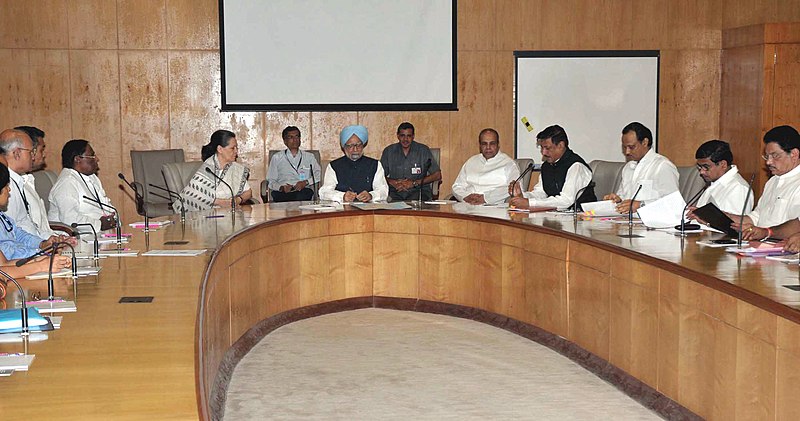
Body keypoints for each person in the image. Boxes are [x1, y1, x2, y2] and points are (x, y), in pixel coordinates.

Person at [733, 126, 800, 241]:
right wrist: (721, 217)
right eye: (767, 156)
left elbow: (797, 224)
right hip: (762, 246)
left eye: (775, 156)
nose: (768, 162)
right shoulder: (772, 181)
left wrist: (767, 232)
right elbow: (756, 217)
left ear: (794, 154)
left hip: (785, 249)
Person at [508, 125, 595, 210]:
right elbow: (541, 193)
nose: (543, 152)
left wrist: (530, 203)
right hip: (557, 218)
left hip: (582, 218)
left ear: (560, 145)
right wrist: (522, 196)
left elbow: (566, 200)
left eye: (547, 148)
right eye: (541, 148)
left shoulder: (576, 166)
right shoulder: (547, 166)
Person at [0, 162, 72, 261]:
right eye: (6, 186)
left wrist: (42, 244)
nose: (9, 189)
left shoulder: (2, 216)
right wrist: (40, 253)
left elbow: (19, 235)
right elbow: (8, 253)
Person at [604, 122, 679, 213]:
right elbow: (625, 197)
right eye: (625, 147)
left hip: (652, 224)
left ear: (644, 142)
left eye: (631, 147)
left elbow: (673, 203)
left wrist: (641, 205)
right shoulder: (628, 167)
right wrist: (618, 200)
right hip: (627, 221)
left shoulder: (662, 166)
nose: (627, 152)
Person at [175, 130, 253, 212]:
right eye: (232, 148)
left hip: (232, 213)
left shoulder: (236, 168)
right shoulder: (208, 168)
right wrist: (219, 202)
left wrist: (239, 199)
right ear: (220, 149)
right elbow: (191, 196)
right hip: (209, 214)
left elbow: (248, 192)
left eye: (237, 148)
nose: (236, 151)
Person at [48, 139, 116, 232]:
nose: (97, 159)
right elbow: (69, 218)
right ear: (77, 159)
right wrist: (99, 224)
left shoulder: (92, 177)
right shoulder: (67, 183)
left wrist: (114, 219)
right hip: (77, 238)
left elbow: (107, 205)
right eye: (92, 155)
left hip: (100, 234)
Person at [0, 128, 55, 239]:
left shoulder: (19, 180)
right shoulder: (5, 185)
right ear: (16, 153)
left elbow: (29, 226)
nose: (33, 157)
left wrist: (50, 241)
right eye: (31, 152)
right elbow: (11, 237)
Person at [686, 140, 752, 222]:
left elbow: (732, 229)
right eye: (699, 167)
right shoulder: (713, 182)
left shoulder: (738, 188)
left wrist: (704, 218)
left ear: (723, 165)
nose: (701, 172)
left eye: (706, 167)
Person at [319, 125, 388, 203]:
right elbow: (324, 192)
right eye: (350, 146)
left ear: (363, 145)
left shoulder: (375, 165)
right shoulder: (333, 166)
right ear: (344, 147)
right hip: (342, 210)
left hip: (369, 210)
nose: (355, 149)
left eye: (358, 145)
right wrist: (342, 196)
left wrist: (371, 195)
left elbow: (383, 190)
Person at [452, 128, 520, 205]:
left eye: (492, 143)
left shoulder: (508, 163)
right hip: (467, 206)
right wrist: (465, 196)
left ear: (498, 145)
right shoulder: (471, 161)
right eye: (484, 144)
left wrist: (486, 198)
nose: (488, 147)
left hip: (493, 207)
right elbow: (457, 186)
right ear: (480, 145)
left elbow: (515, 188)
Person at [380, 122, 442, 201]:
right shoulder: (388, 151)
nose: (405, 139)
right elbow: (379, 176)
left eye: (409, 136)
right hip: (395, 192)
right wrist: (393, 182)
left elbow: (437, 175)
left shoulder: (423, 150)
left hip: (418, 191)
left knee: (415, 203)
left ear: (413, 136)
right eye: (402, 136)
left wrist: (414, 183)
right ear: (398, 136)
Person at [266, 126, 321, 202]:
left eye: (297, 136)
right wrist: (282, 188)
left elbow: (318, 174)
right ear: (285, 141)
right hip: (283, 192)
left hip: (302, 190)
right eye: (291, 137)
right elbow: (271, 180)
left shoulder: (309, 157)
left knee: (305, 193)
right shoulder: (277, 157)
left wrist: (305, 182)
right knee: (278, 195)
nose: (295, 140)